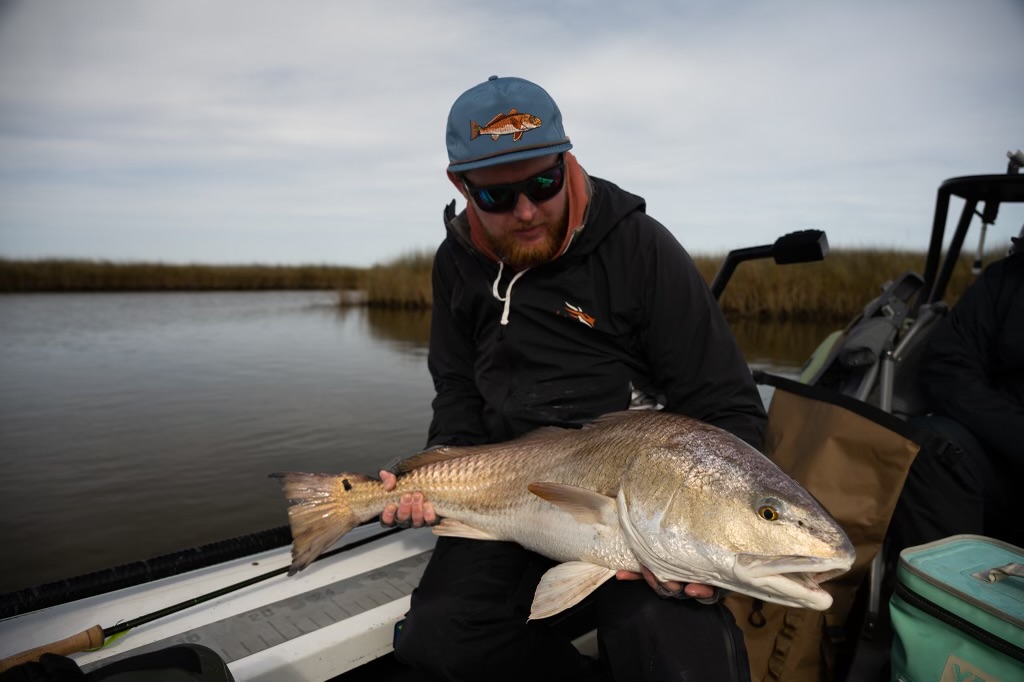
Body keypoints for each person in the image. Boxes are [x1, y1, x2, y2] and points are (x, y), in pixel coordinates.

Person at [379, 75, 767, 682]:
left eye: (543, 183)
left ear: (567, 161)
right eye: (497, 198)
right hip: (503, 494)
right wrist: (438, 462)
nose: (527, 211)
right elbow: (456, 387)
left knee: (678, 656)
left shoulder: (639, 247)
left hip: (624, 507)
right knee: (439, 639)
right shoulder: (454, 262)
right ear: (461, 187)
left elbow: (727, 406)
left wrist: (700, 533)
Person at [887, 226, 1024, 556]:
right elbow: (947, 368)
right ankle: (947, 599)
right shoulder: (1005, 280)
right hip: (1009, 459)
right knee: (931, 444)